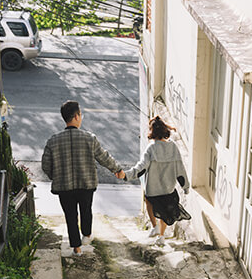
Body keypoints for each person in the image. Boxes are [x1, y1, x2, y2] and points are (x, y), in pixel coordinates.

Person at [42, 100, 125, 255]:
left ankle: (76, 248)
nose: (81, 117)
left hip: (64, 187)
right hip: (86, 184)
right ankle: (86, 235)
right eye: (80, 114)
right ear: (76, 116)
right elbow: (104, 157)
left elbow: (46, 165)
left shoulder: (53, 141)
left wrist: (57, 176)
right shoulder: (89, 138)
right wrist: (118, 169)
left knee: (70, 216)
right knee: (86, 210)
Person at [123, 115, 191, 246]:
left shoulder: (151, 148)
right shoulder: (173, 147)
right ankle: (161, 236)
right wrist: (185, 186)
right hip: (168, 188)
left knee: (148, 202)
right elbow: (180, 168)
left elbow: (141, 168)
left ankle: (155, 226)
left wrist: (127, 175)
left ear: (152, 131)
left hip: (153, 189)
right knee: (165, 211)